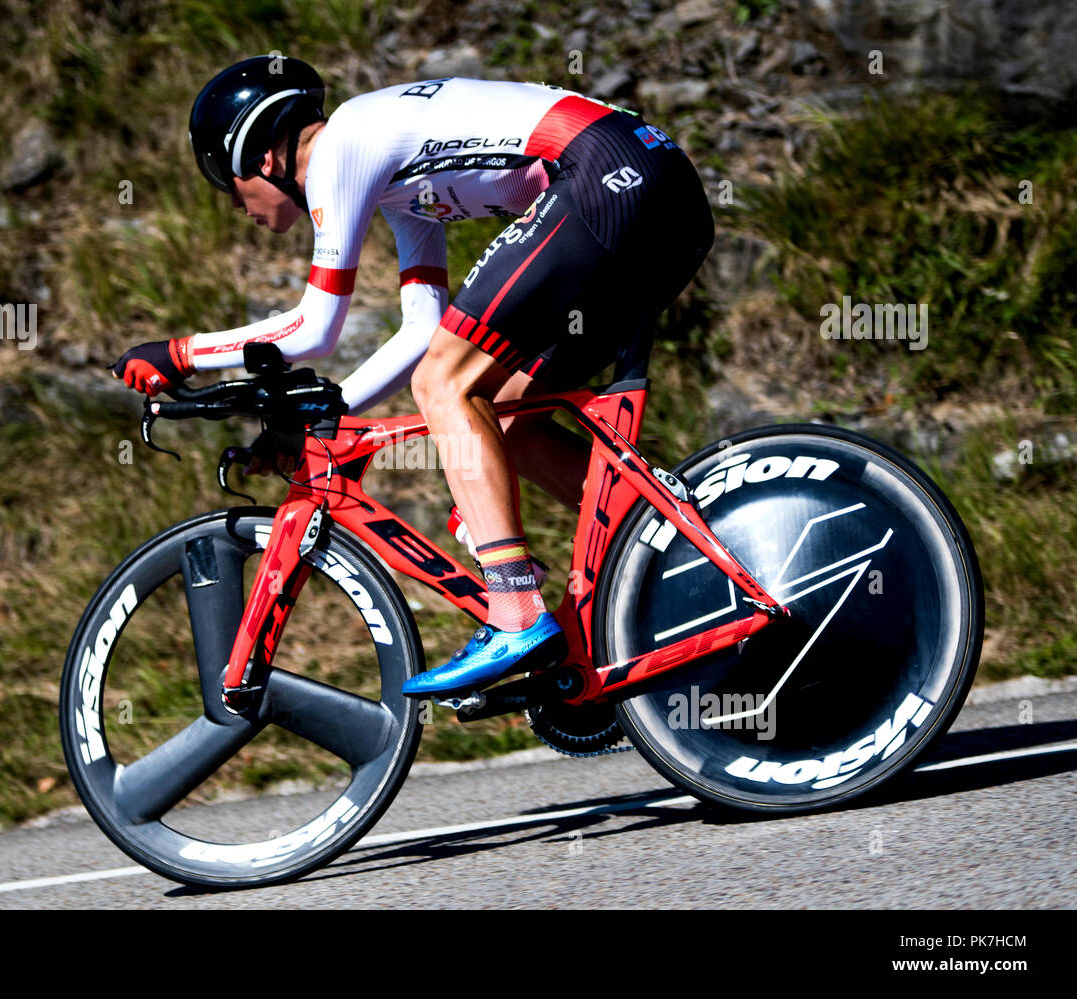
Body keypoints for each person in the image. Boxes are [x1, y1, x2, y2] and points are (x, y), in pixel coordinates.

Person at [112, 55, 714, 700]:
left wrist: (181, 353)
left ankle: (513, 608)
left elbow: (316, 329)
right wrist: (330, 415)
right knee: (502, 415)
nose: (237, 208)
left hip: (603, 177)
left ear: (259, 159)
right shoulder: (395, 175)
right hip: (652, 181)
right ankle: (680, 563)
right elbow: (422, 328)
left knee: (446, 387)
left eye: (227, 187)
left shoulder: (343, 146)